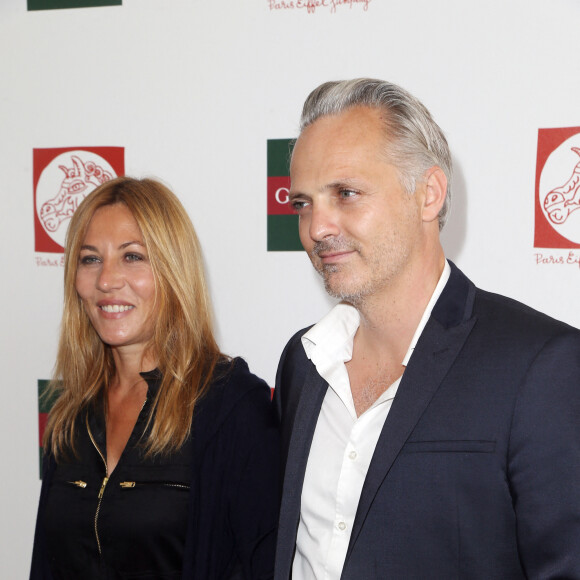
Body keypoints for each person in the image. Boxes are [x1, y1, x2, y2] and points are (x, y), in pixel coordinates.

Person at [273, 78, 580, 579]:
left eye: (346, 193)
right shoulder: (302, 363)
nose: (317, 228)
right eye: (303, 203)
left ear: (428, 195)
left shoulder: (540, 368)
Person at [30, 177, 279, 580]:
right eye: (90, 258)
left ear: (173, 269)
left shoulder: (231, 406)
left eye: (132, 257)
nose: (107, 280)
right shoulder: (70, 413)